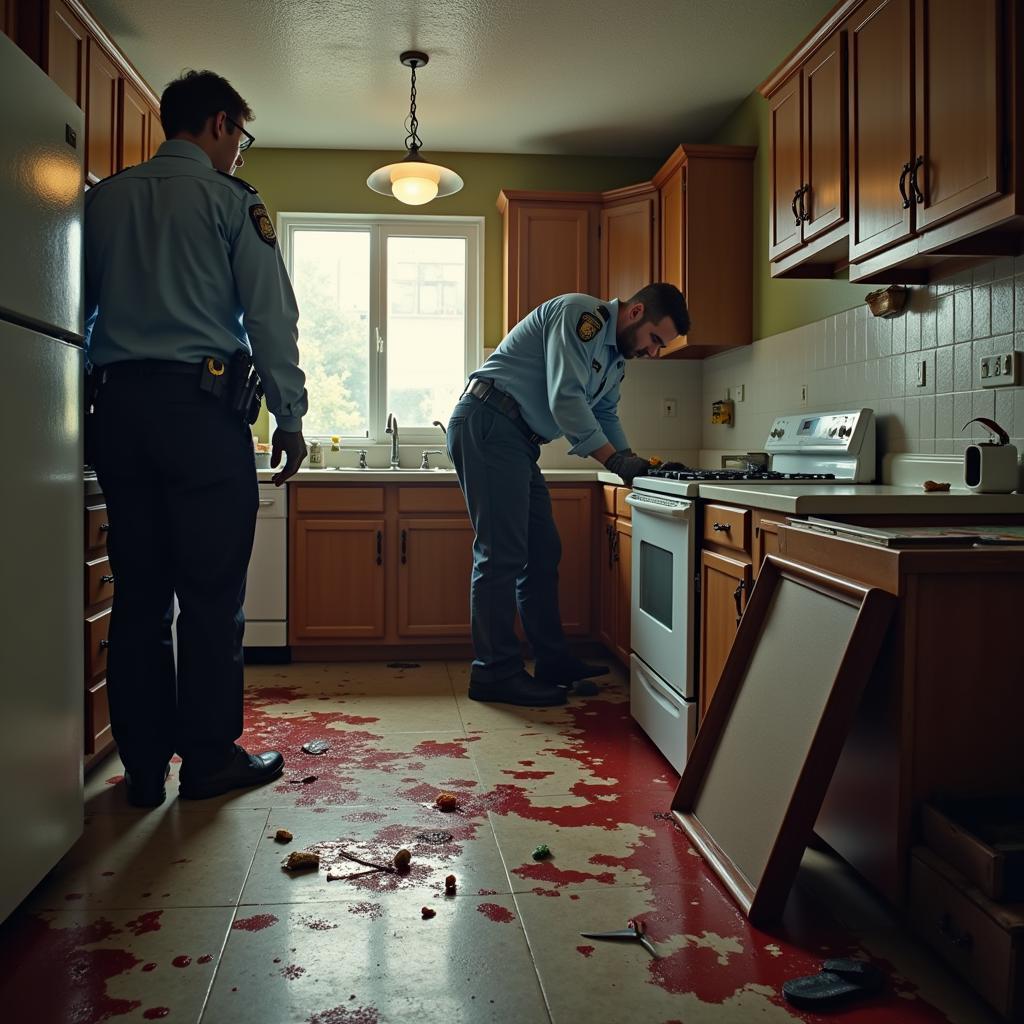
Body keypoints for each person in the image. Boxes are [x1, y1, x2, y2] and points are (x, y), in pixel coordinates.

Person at [84, 70, 308, 807]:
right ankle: (209, 760)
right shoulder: (230, 201)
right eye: (239, 139)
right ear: (218, 124)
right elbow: (271, 318)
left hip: (116, 416)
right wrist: (292, 416)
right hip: (202, 417)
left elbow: (71, 314)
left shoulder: (104, 200)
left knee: (141, 599)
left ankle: (143, 770)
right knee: (211, 599)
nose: (239, 154)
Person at [448, 283, 690, 707]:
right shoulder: (583, 317)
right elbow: (565, 399)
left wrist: (631, 459)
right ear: (635, 313)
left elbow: (604, 412)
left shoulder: (616, 360)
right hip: (489, 422)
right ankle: (494, 673)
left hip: (517, 439)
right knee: (501, 553)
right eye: (655, 340)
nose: (654, 353)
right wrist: (615, 462)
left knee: (542, 551)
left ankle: (552, 661)